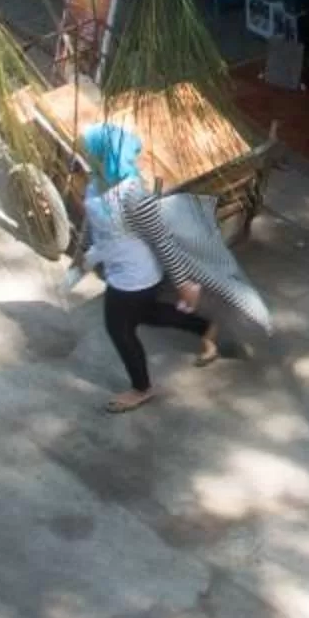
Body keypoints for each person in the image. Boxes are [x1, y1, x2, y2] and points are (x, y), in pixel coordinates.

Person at [79, 122, 218, 413]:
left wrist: (184, 284)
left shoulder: (133, 195)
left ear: (106, 157)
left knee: (118, 328)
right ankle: (205, 327)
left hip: (136, 277)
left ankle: (141, 388)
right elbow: (97, 225)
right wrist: (88, 255)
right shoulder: (98, 181)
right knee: (147, 314)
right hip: (120, 269)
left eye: (90, 152)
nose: (85, 156)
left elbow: (162, 240)